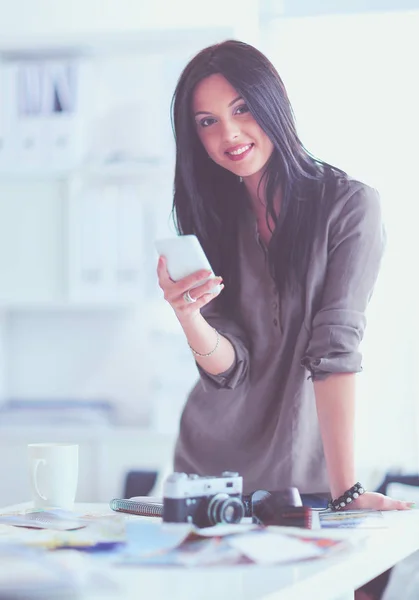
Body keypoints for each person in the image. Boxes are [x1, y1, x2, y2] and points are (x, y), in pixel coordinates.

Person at [156, 40, 413, 516]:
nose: (228, 132)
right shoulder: (213, 220)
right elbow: (230, 369)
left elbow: (335, 348)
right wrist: (188, 316)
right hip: (209, 472)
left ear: (273, 104)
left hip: (305, 478)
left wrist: (346, 491)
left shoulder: (348, 206)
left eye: (242, 108)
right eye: (207, 121)